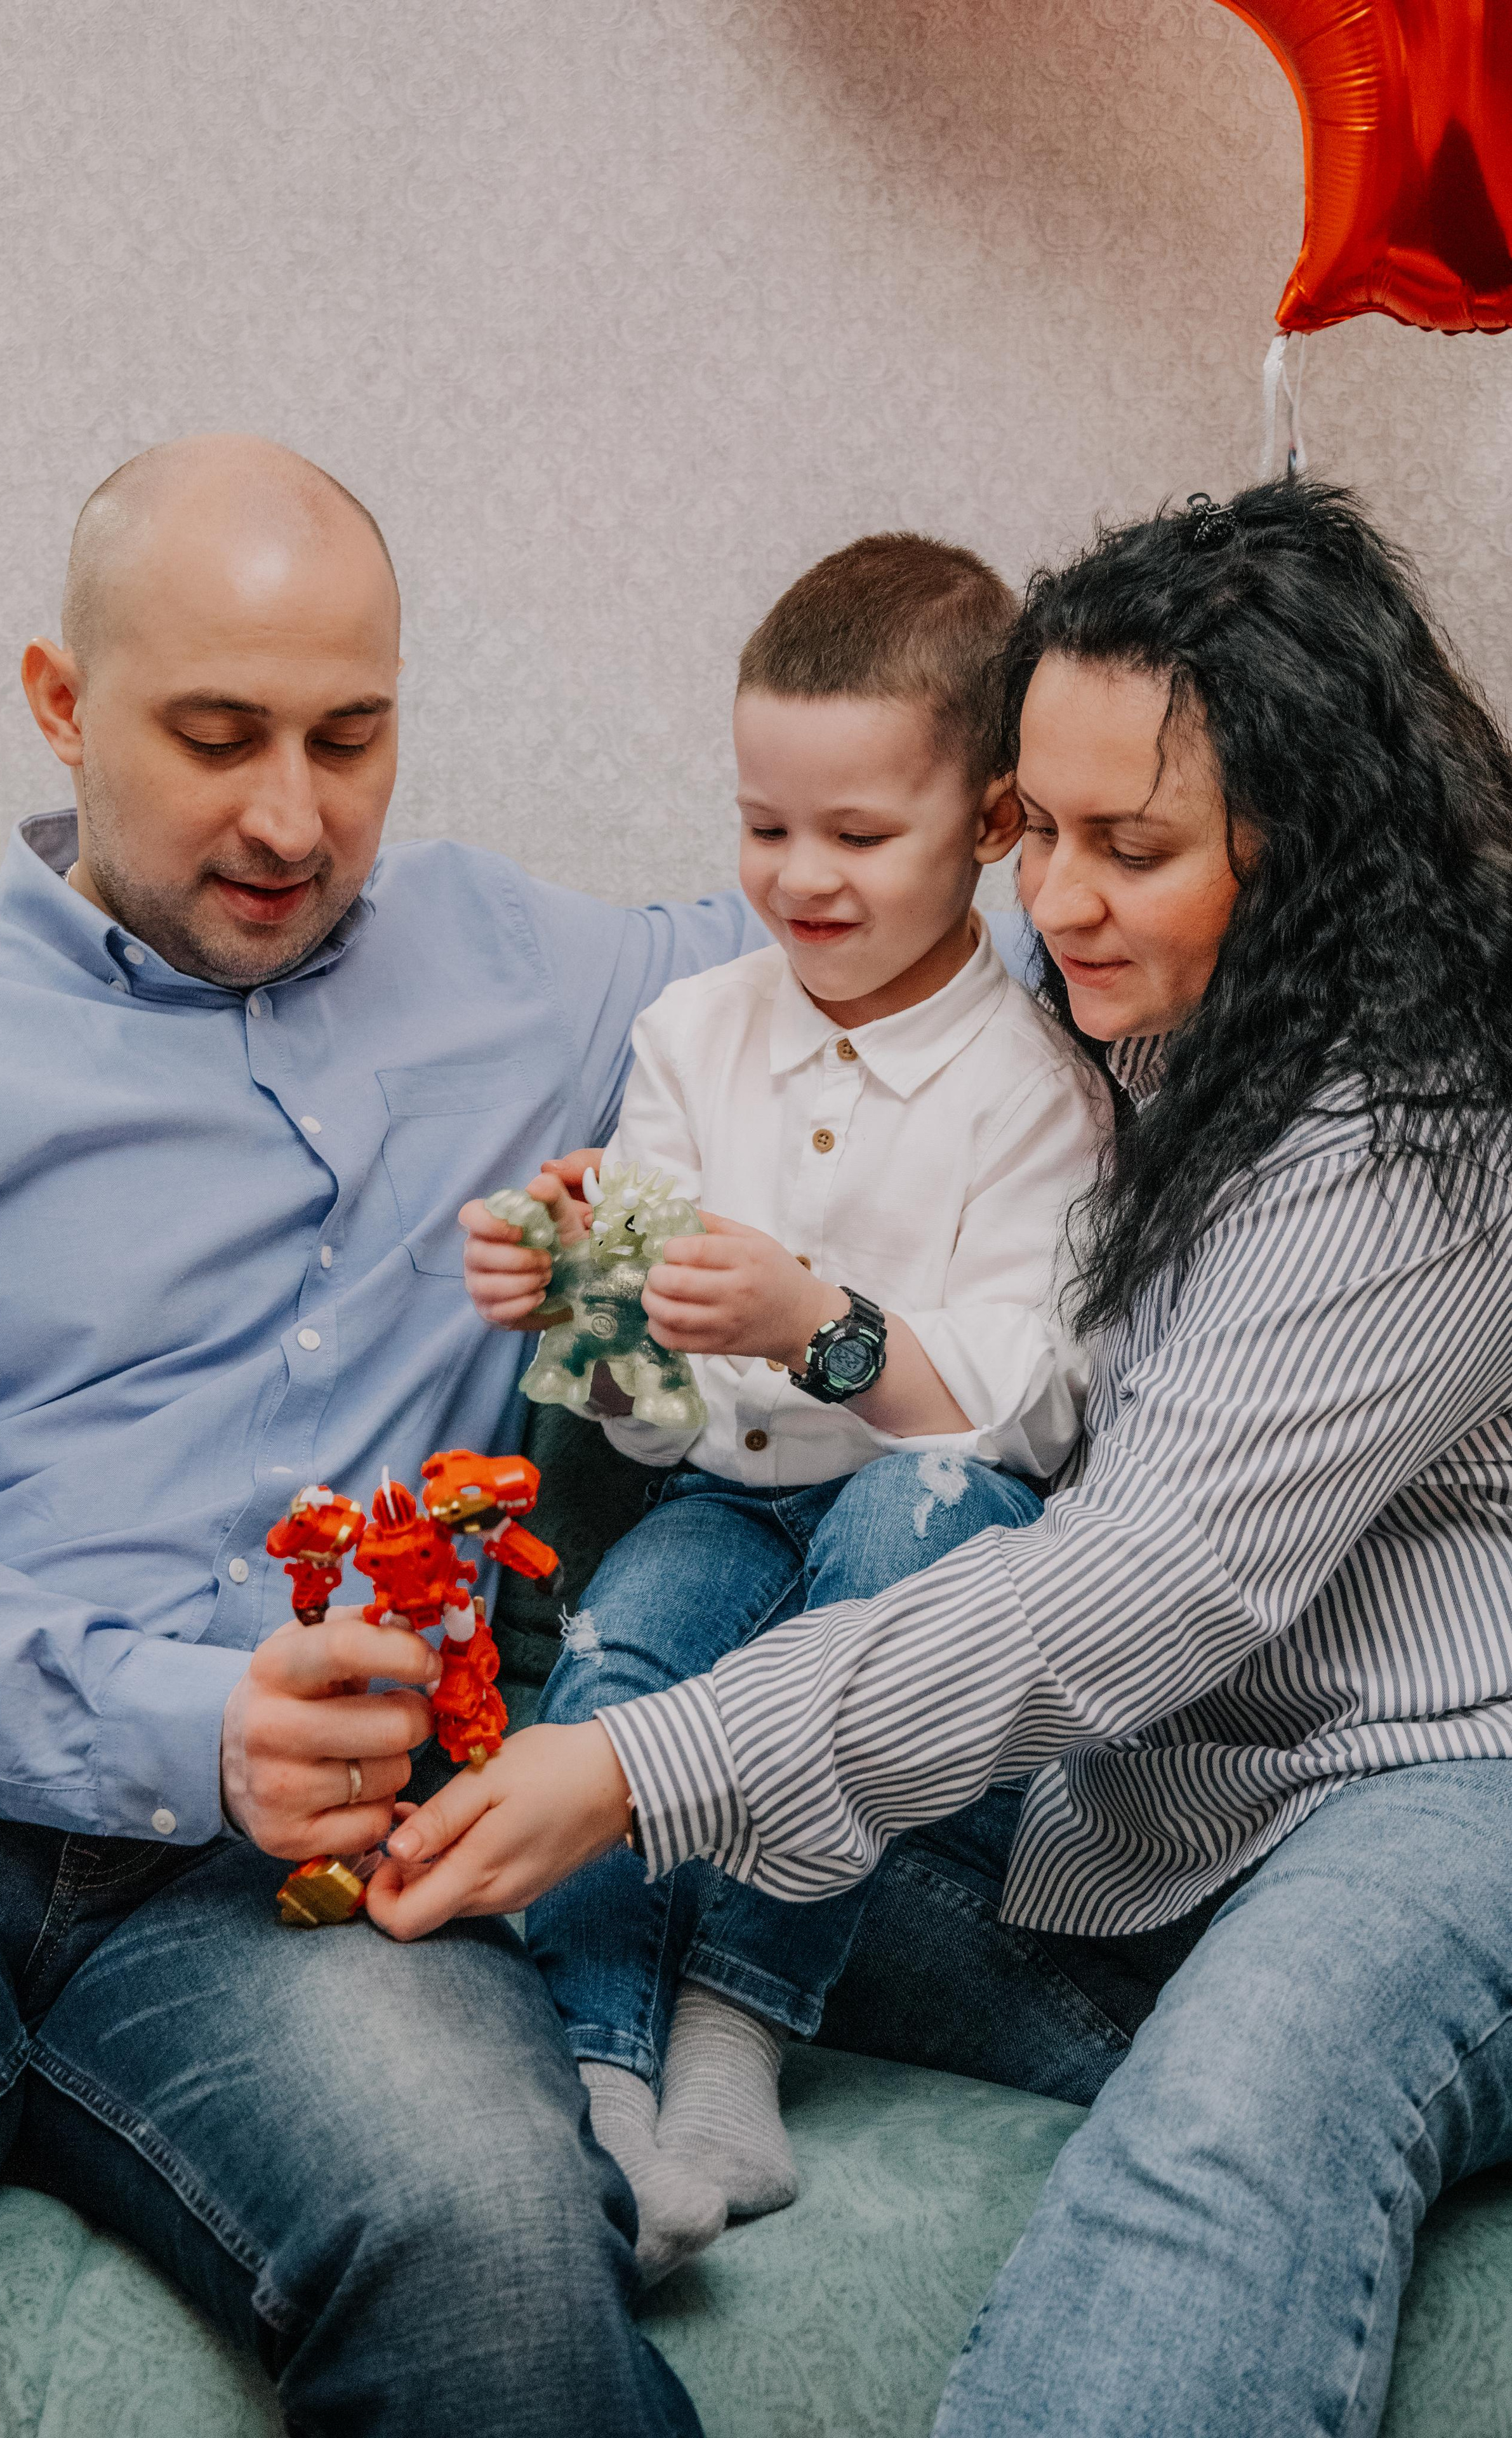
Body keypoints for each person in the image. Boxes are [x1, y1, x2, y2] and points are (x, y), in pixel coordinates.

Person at [370, 479, 1512, 2438]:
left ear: (1305, 841)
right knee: (585, 1835)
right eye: (1038, 830)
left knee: (1229, 2121)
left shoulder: (1420, 1135)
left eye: (1126, 847)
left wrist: (647, 1764)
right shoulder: (1150, 1038)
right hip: (1155, 1805)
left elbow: (1132, 1586)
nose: (1051, 899)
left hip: (1435, 1787)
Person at [0, 432, 761, 2438]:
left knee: (506, 2265)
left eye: (351, 739)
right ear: (59, 703)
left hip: (315, 1890)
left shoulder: (517, 958)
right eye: (218, 736)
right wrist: (198, 1725)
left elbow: (875, 923)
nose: (294, 817)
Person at [458, 533, 1106, 2280]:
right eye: (765, 827)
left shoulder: (1035, 1084)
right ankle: (602, 2070)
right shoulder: (694, 1036)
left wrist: (824, 1325)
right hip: (726, 1499)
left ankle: (742, 2028)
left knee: (913, 1516)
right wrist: (578, 1304)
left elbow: (1034, 1413)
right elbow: (662, 1427)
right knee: (621, 1646)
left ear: (987, 825)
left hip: (929, 1532)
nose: (797, 879)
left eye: (857, 835)